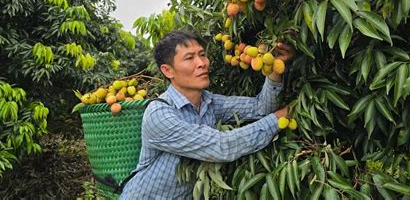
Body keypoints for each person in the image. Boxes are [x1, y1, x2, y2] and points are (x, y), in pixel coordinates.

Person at [120, 30, 293, 199]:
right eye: (189, 58)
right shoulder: (159, 114)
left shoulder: (211, 103)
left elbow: (261, 108)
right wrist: (279, 118)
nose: (202, 63)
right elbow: (221, 146)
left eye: (202, 55)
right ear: (168, 71)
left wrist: (275, 68)